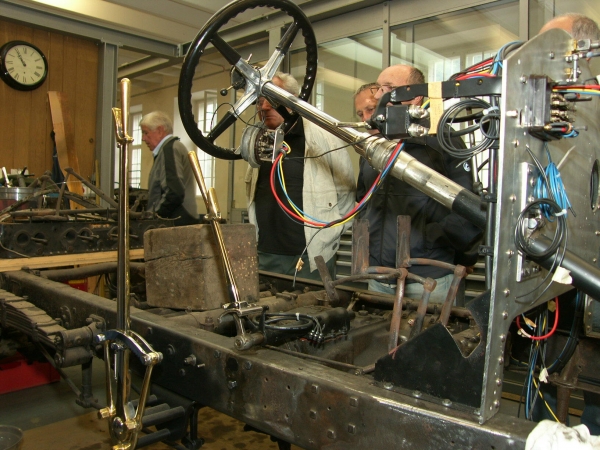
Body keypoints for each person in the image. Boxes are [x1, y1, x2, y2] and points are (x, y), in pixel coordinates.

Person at [354, 65, 481, 302]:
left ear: (416, 97)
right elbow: (362, 201)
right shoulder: (375, 146)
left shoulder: (443, 141)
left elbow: (467, 209)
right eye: (379, 88)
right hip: (379, 276)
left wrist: (455, 252)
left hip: (429, 278)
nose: (380, 95)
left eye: (389, 88)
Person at [245, 72, 356, 280]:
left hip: (310, 257)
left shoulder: (324, 137)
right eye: (260, 101)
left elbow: (346, 195)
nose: (265, 107)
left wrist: (328, 235)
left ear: (292, 101)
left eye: (273, 99)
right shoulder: (259, 140)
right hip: (266, 254)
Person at [140, 111, 199, 226]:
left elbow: (174, 192)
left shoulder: (169, 149)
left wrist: (154, 217)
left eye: (146, 133)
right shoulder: (170, 148)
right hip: (179, 219)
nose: (143, 138)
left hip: (177, 221)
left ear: (160, 130)